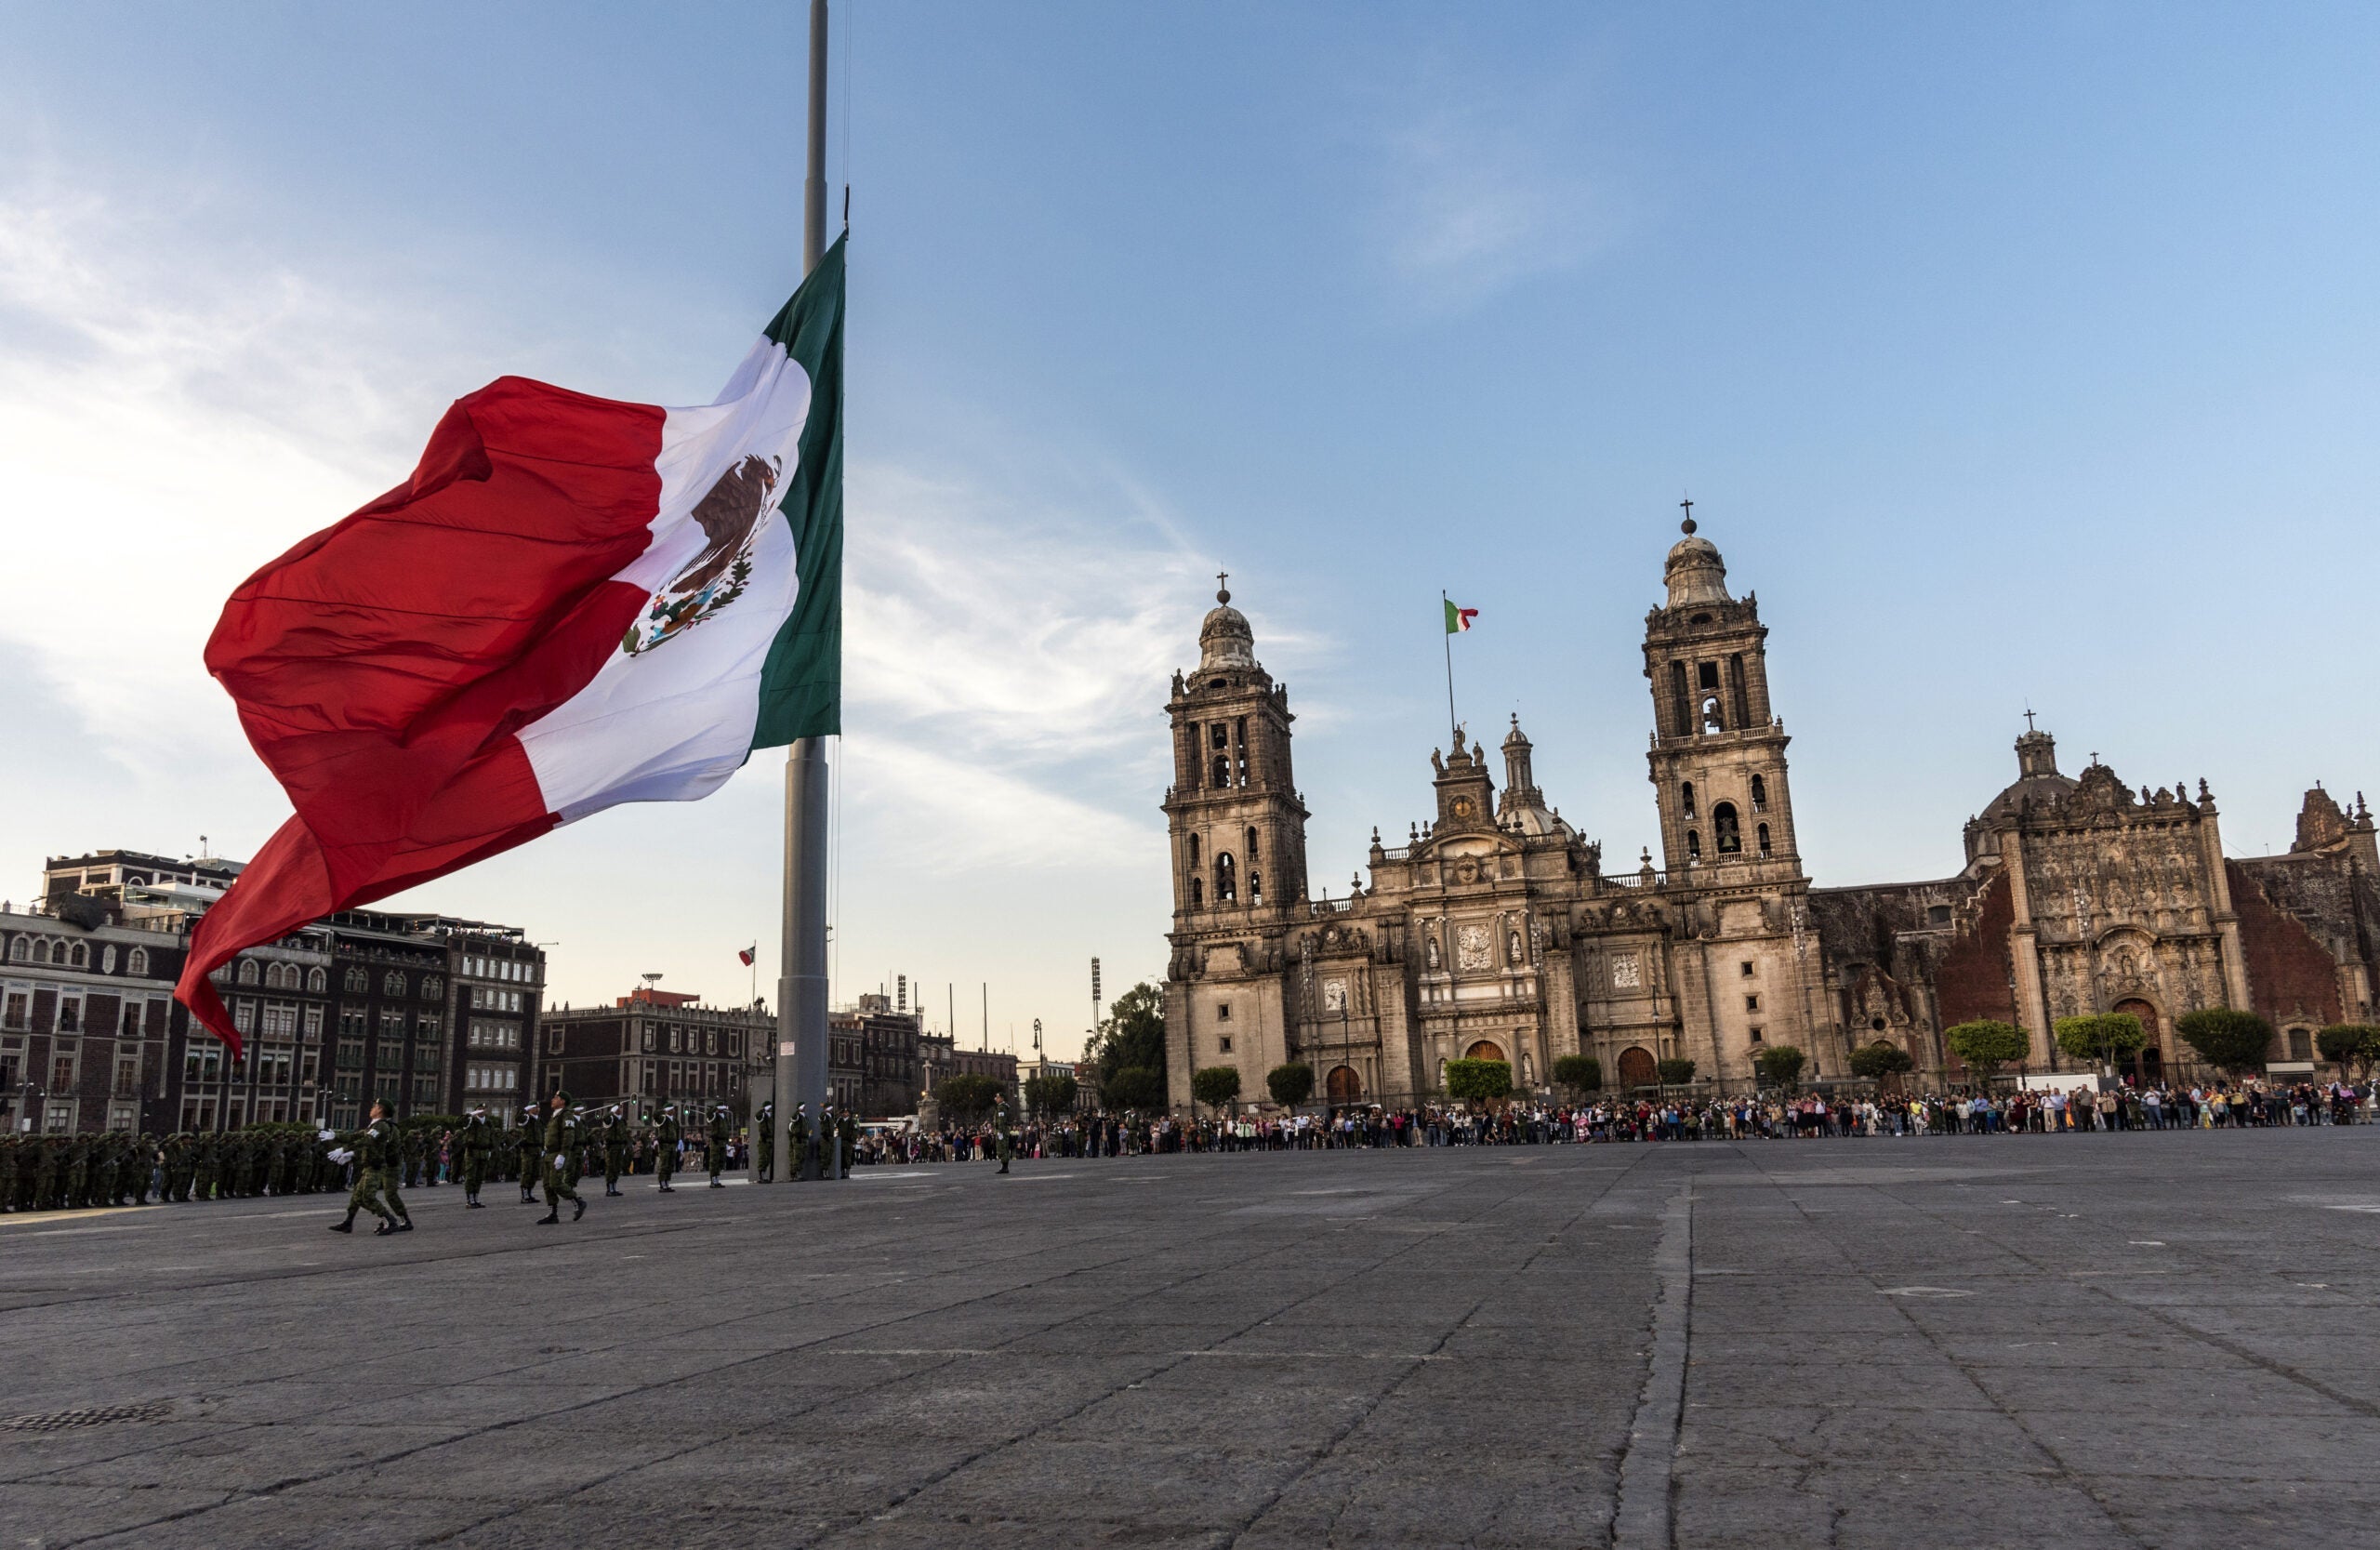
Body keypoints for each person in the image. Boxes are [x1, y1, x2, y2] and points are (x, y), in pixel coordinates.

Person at [328, 1100, 411, 1236]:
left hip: (388, 1165)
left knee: (384, 1195)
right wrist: (337, 1138)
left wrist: (345, 1150)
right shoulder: (374, 1126)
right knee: (358, 1195)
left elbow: (369, 1143)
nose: (371, 1108)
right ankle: (349, 1222)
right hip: (375, 1164)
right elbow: (360, 1139)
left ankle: (399, 1220)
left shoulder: (383, 1127)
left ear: (380, 1110)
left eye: (375, 1106)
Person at [536, 1091, 587, 1225]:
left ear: (562, 1101)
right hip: (549, 1153)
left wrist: (563, 1154)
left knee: (555, 1183)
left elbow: (568, 1136)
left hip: (557, 1153)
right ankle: (552, 1213)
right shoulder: (555, 1115)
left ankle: (578, 1202)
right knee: (547, 1185)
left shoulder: (566, 1115)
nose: (553, 1099)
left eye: (556, 1098)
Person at [458, 1108, 494, 1207]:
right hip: (472, 1153)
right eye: (479, 1110)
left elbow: (491, 1137)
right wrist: (469, 1115)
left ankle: (476, 1198)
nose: (482, 1111)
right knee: (471, 1177)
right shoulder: (471, 1121)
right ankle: (470, 1200)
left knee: (479, 1177)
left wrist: (491, 1149)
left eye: (484, 1109)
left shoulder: (488, 1123)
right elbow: (459, 1122)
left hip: (484, 1153)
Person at [516, 1106, 543, 1203]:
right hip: (528, 1150)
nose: (538, 1109)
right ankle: (525, 1195)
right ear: (530, 1109)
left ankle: (530, 1193)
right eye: (535, 1107)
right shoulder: (527, 1118)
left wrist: (543, 1147)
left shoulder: (539, 1120)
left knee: (535, 1173)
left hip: (538, 1149)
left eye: (538, 1107)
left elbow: (542, 1134)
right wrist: (524, 1109)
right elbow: (518, 1118)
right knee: (527, 1172)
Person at [602, 1108, 629, 1197]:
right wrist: (611, 1111)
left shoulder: (622, 1120)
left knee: (617, 1167)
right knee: (611, 1167)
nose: (621, 1110)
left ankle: (614, 1187)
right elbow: (604, 1118)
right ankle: (609, 1189)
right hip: (612, 1146)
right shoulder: (611, 1118)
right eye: (618, 1108)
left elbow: (624, 1133)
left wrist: (624, 1144)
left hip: (620, 1146)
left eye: (621, 1108)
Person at [654, 1106, 681, 1192]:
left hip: (673, 1145)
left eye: (673, 1109)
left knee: (670, 1165)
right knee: (664, 1165)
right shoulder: (663, 1119)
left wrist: (676, 1143)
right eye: (672, 1109)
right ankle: (662, 1183)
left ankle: (667, 1182)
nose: (674, 1110)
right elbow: (655, 1115)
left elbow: (677, 1132)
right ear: (668, 1110)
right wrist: (663, 1111)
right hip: (665, 1145)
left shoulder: (675, 1120)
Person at [706, 1105, 731, 1188]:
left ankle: (717, 1178)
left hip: (723, 1141)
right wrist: (713, 1109)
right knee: (714, 1161)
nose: (724, 1109)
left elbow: (727, 1129)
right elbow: (709, 1115)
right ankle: (713, 1180)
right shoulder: (715, 1116)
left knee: (721, 1161)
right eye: (722, 1108)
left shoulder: (725, 1117)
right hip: (716, 1141)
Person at [756, 1100, 775, 1183]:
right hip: (763, 1140)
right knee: (763, 1158)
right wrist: (762, 1110)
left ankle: (764, 1175)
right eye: (769, 1107)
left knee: (767, 1158)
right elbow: (757, 1116)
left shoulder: (770, 1116)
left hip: (769, 1140)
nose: (770, 1109)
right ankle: (761, 1177)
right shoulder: (763, 1115)